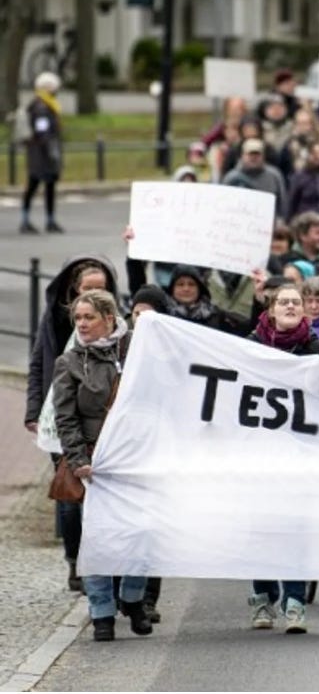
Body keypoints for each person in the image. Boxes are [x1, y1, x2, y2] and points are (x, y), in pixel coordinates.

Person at [52, 290, 151, 642]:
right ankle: (101, 611)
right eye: (77, 318)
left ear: (109, 318)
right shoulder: (70, 362)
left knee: (140, 532)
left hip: (134, 459)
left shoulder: (138, 350)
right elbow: (65, 418)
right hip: (93, 463)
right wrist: (78, 460)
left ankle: (133, 598)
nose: (81, 324)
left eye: (88, 317)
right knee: (95, 538)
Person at [25, 256, 117, 592]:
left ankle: (106, 565)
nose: (93, 293)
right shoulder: (58, 323)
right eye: (87, 288)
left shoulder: (118, 331)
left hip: (103, 427)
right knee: (69, 491)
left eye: (101, 288)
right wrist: (32, 410)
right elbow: (38, 365)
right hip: (60, 418)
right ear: (75, 290)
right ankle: (75, 561)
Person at [246, 283, 319, 633]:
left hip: (300, 452)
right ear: (271, 308)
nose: (291, 306)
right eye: (284, 301)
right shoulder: (249, 346)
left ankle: (295, 604)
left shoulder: (316, 349)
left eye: (297, 302)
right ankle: (263, 598)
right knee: (260, 528)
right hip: (259, 450)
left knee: (294, 528)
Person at [21, 72, 65, 234]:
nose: (56, 90)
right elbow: (43, 132)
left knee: (48, 186)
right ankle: (26, 220)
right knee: (34, 185)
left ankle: (50, 219)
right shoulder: (41, 107)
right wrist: (52, 152)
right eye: (54, 88)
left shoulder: (47, 104)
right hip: (41, 155)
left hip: (41, 154)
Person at [164, 266, 247, 335]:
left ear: (200, 289)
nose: (186, 289)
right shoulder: (162, 314)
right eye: (180, 284)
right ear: (172, 289)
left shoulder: (218, 317)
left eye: (191, 284)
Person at [222, 137, 288, 220]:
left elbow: (282, 203)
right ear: (242, 156)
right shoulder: (231, 178)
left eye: (257, 155)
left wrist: (280, 221)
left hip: (267, 223)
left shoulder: (274, 175)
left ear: (263, 156)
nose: (253, 158)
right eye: (250, 154)